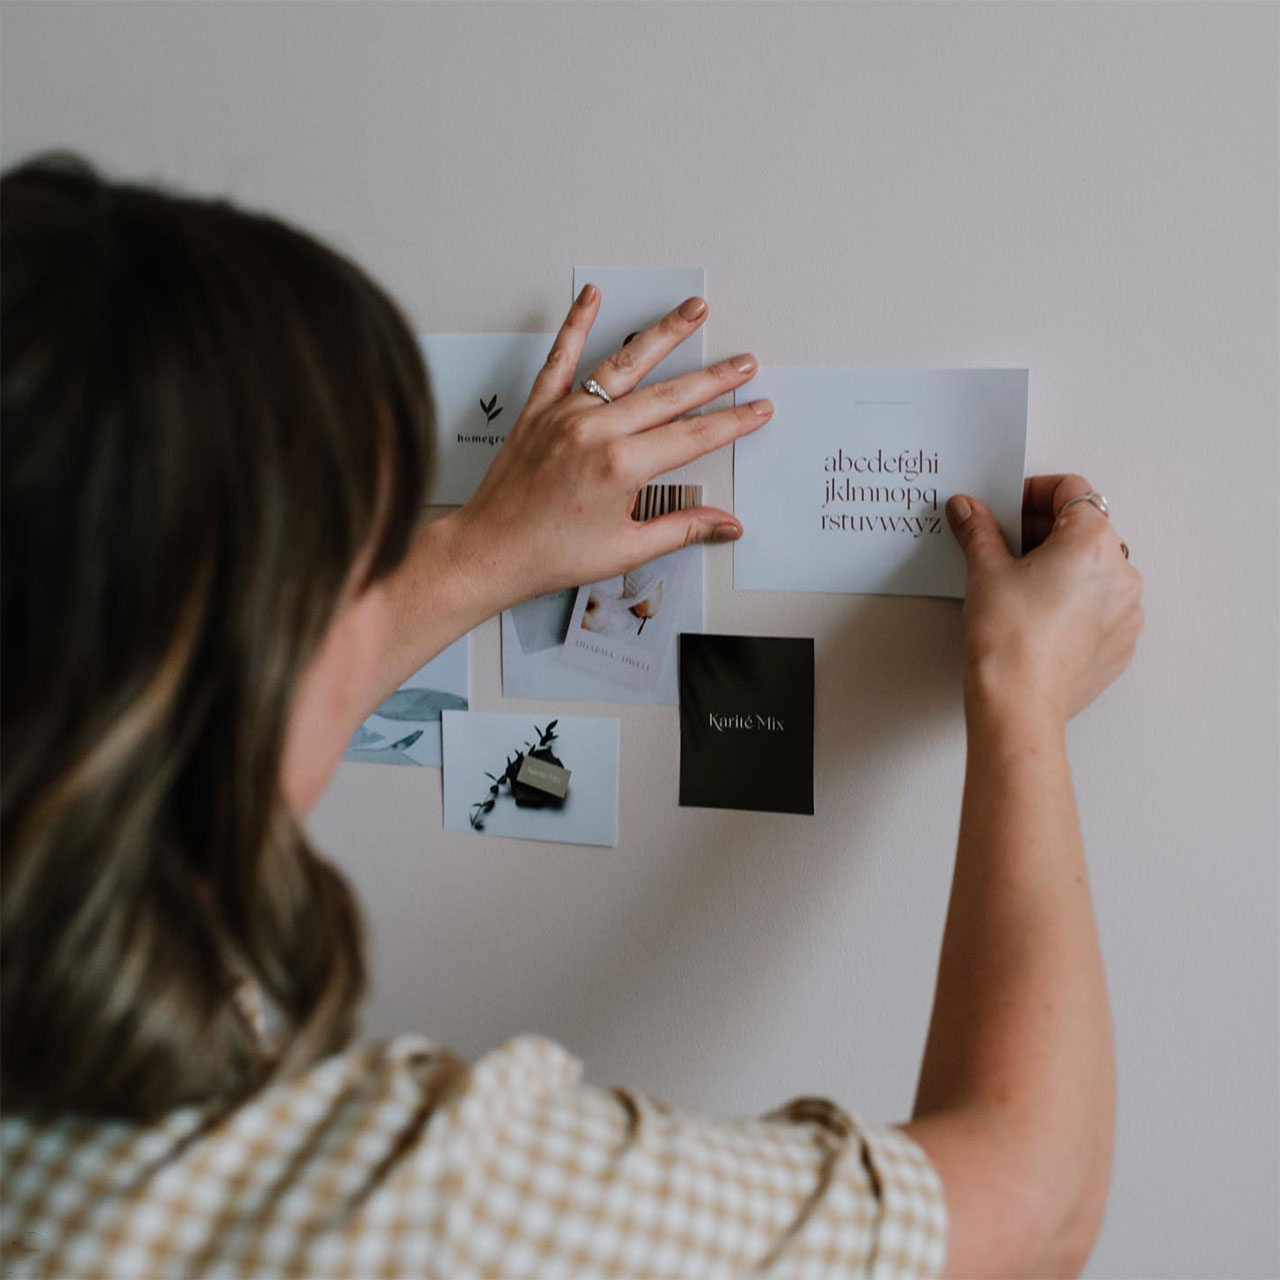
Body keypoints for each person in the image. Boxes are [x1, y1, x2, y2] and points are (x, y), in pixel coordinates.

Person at [0, 156, 1143, 1280]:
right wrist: (1019, 693)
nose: (382, 587)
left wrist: (480, 549)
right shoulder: (398, 1207)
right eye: (365, 558)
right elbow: (1030, 1210)